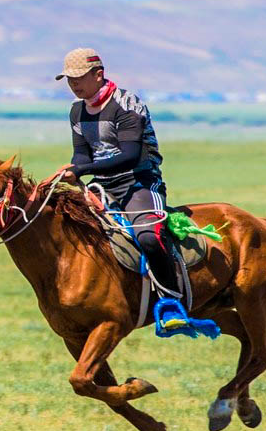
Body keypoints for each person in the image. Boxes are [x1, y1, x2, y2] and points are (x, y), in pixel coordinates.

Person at [53, 47, 184, 302]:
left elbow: (129, 155)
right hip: (101, 185)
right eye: (69, 79)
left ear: (98, 75)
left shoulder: (127, 104)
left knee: (148, 235)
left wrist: (83, 170)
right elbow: (82, 154)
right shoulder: (76, 110)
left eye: (78, 77)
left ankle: (172, 300)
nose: (73, 84)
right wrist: (74, 170)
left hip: (138, 182)